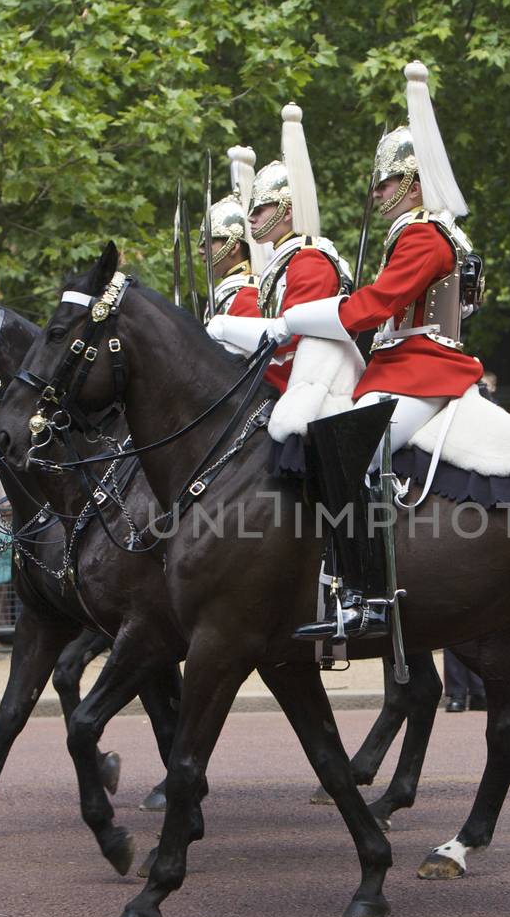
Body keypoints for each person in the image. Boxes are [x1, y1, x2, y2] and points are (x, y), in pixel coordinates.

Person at [248, 64, 481, 641]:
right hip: (401, 367)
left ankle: (368, 594)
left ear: (411, 181)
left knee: (353, 452)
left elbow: (372, 308)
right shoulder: (421, 234)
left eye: (384, 183)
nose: (375, 194)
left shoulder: (426, 235)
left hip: (425, 370)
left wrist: (295, 319)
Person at [205, 105, 350, 398]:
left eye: (260, 209)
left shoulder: (310, 260)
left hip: (306, 382)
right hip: (284, 373)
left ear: (287, 211)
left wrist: (222, 328)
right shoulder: (285, 260)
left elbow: (292, 339)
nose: (251, 219)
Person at [202, 145, 264, 322]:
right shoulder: (228, 289)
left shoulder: (247, 292)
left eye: (209, 242)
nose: (200, 250)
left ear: (233, 246)